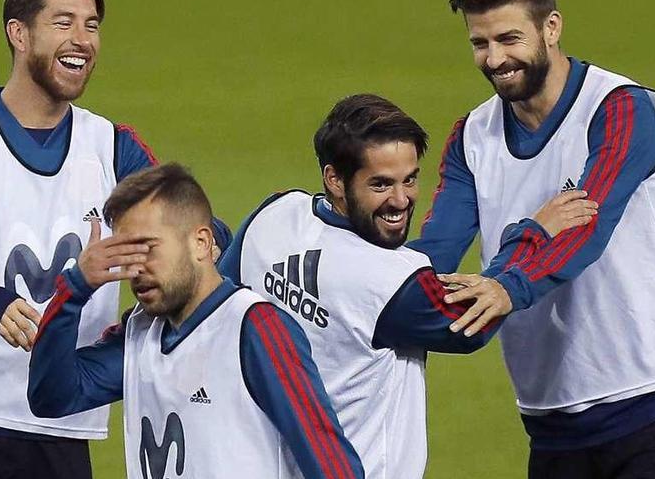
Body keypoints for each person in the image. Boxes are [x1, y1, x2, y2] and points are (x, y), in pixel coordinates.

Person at [0, 0, 224, 477]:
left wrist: (188, 260)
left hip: (60, 421)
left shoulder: (111, 146)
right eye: (63, 22)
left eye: (91, 25)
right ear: (19, 33)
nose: (82, 39)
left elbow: (193, 229)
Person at [414, 0, 655, 477]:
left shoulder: (621, 109)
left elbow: (585, 231)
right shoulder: (472, 138)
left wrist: (506, 284)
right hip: (552, 422)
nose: (495, 59)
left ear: (551, 28)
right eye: (479, 43)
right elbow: (432, 259)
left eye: (509, 39)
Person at [217, 93, 596, 478]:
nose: (400, 200)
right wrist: (534, 235)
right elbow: (476, 313)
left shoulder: (274, 215)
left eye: (410, 179)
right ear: (334, 178)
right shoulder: (388, 282)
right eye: (380, 184)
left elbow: (219, 301)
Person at [27, 163, 364, 479]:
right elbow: (53, 397)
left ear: (201, 243)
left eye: (148, 249)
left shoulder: (252, 327)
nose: (136, 269)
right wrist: (74, 289)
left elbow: (330, 464)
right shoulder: (141, 335)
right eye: (126, 253)